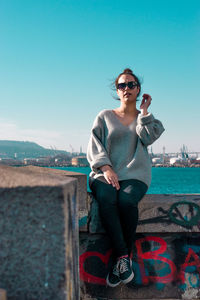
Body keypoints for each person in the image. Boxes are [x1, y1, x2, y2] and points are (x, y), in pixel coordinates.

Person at [87, 68, 165, 287]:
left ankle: (120, 261)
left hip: (135, 174)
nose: (127, 89)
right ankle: (123, 257)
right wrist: (106, 168)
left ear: (138, 89)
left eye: (131, 85)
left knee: (127, 200)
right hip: (103, 173)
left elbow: (147, 138)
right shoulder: (104, 116)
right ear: (117, 90)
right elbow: (95, 145)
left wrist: (145, 111)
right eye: (122, 85)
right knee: (108, 198)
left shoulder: (145, 119)